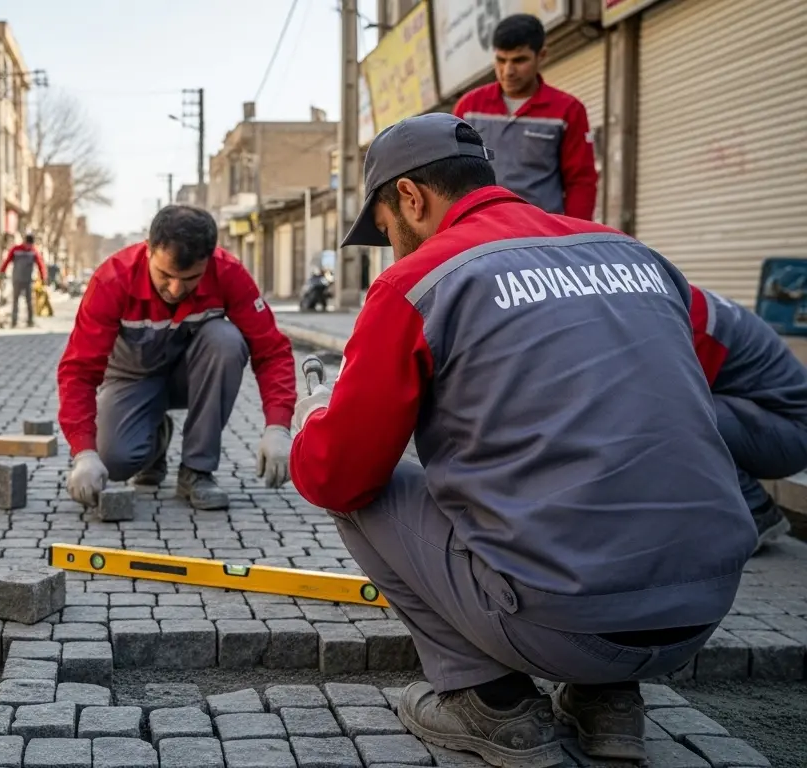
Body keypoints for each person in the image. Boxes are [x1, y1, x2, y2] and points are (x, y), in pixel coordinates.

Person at [288, 113, 754, 767]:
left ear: (411, 198)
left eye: (387, 230)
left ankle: (491, 700)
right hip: (704, 608)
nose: (392, 249)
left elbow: (337, 473)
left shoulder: (419, 282)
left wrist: (314, 417)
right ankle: (608, 701)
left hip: (560, 623)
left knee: (366, 491)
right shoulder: (636, 255)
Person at [58, 204, 296, 511]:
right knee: (112, 460)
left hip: (193, 376)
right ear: (148, 249)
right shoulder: (112, 280)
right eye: (165, 275)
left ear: (209, 260)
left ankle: (197, 470)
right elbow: (78, 370)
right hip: (132, 379)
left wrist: (278, 426)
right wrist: (84, 453)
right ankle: (155, 438)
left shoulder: (228, 273)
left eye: (190, 278)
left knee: (226, 340)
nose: (175, 289)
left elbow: (272, 351)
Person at [689, 283, 807, 552]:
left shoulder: (696, 322)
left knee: (672, 410)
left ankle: (755, 510)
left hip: (792, 434)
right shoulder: (673, 301)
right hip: (762, 421)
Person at [453, 13, 598, 221]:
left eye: (519, 60)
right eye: (501, 60)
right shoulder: (469, 108)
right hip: (480, 229)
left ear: (542, 55)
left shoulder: (568, 111)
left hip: (540, 233)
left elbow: (581, 181)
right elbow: (453, 174)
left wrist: (575, 232)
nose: (508, 71)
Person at [0, 232, 46, 327]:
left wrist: (43, 277)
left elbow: (40, 264)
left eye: (30, 244)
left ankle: (29, 321)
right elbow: (7, 261)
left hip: (27, 280)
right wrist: (2, 272)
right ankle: (14, 321)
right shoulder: (17, 249)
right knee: (16, 301)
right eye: (28, 244)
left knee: (28, 301)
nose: (28, 246)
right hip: (18, 279)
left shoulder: (32, 251)